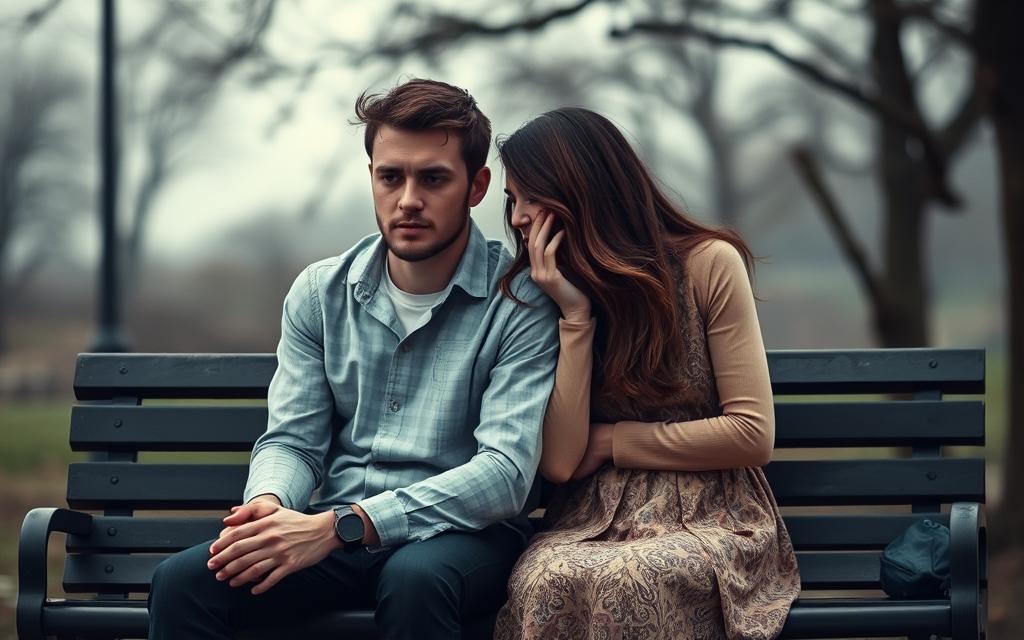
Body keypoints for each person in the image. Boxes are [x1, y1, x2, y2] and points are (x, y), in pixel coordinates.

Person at [146, 79, 560, 640]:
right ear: (372, 178)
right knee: (183, 581)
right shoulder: (320, 292)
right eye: (391, 176)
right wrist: (269, 507)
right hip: (329, 529)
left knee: (416, 578)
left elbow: (505, 475)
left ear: (476, 186)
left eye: (433, 178)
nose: (408, 199)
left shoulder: (519, 301)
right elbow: (293, 439)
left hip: (460, 537)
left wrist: (347, 525)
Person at [493, 107, 801, 640]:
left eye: (530, 197)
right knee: (542, 580)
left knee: (631, 579)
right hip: (591, 518)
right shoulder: (552, 292)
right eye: (512, 201)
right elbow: (563, 462)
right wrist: (575, 316)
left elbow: (752, 434)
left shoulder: (709, 264)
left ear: (579, 187)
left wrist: (615, 440)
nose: (519, 217)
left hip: (713, 512)